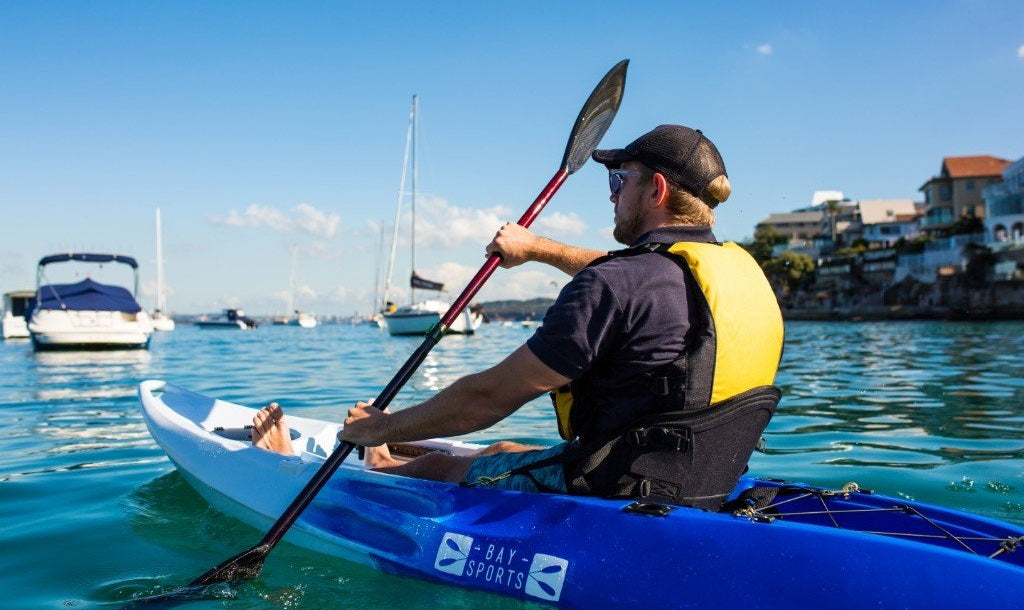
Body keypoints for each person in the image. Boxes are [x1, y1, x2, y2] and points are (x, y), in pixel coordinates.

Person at [256, 125, 785, 509]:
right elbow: (630, 277)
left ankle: (377, 460)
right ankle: (388, 457)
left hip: (617, 495)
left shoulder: (618, 286)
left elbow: (486, 399)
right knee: (505, 451)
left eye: (620, 180)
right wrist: (535, 248)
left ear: (658, 190)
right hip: (702, 481)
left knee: (448, 466)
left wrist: (384, 426)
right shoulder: (728, 276)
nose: (613, 194)